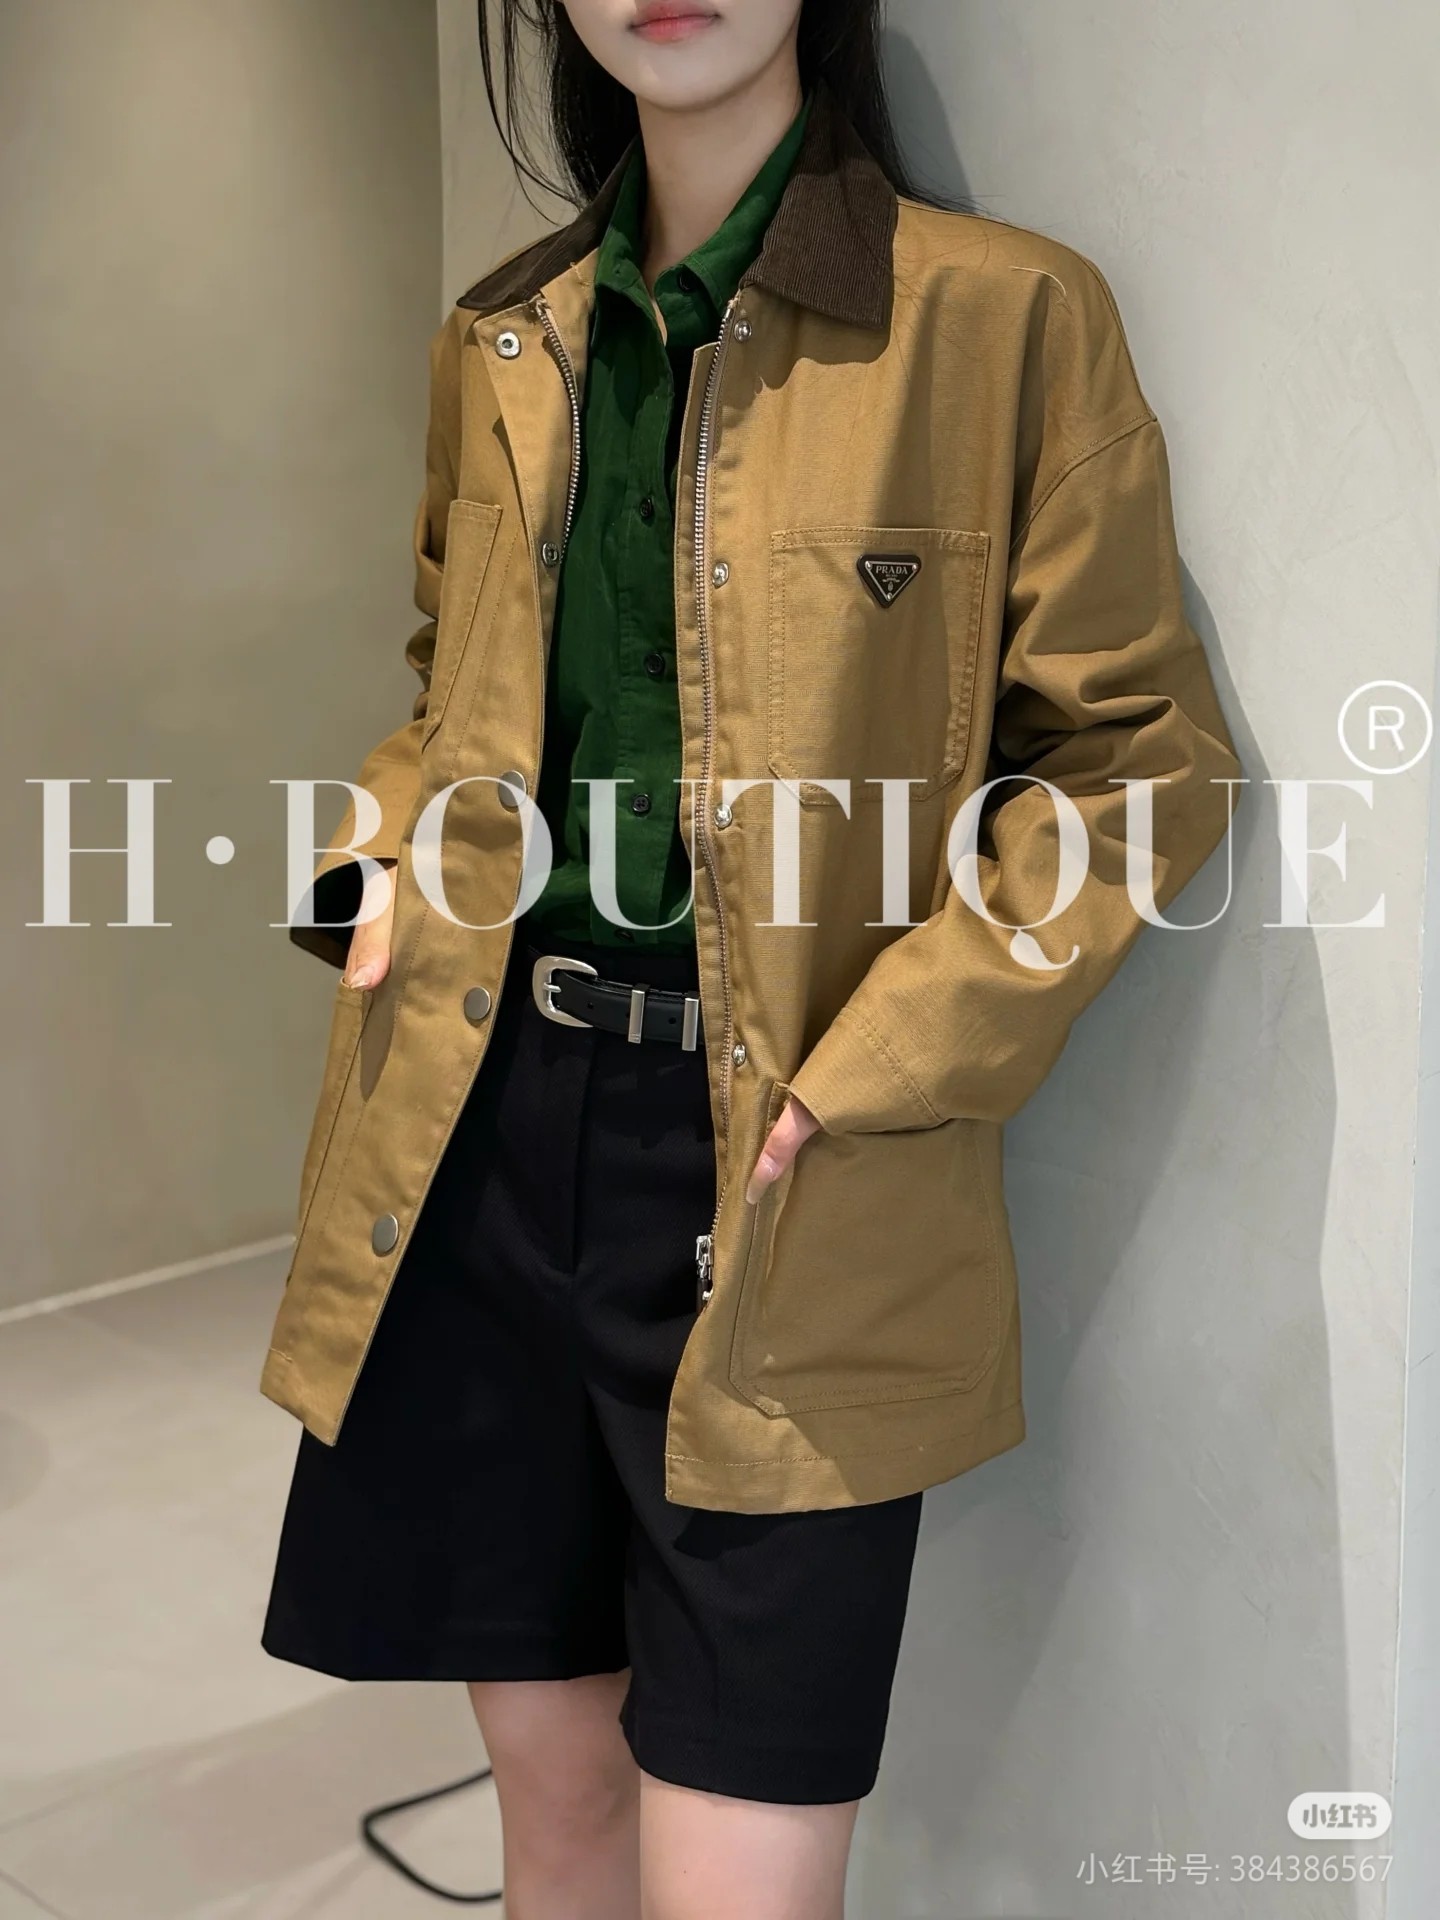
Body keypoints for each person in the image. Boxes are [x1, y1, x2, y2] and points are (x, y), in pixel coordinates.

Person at [259, 2, 1243, 1914]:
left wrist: (886, 1062)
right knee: (555, 1809)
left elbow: (1134, 763)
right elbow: (450, 692)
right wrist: (374, 853)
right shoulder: (506, 331)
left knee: (742, 1867)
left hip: (783, 1172)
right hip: (472, 1139)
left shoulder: (1000, 320)